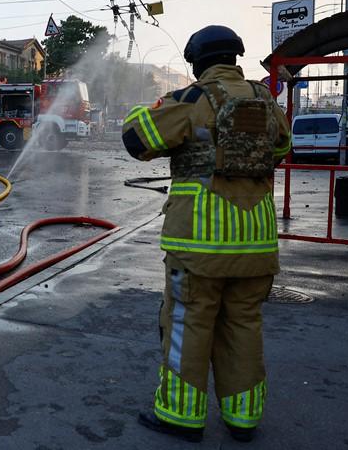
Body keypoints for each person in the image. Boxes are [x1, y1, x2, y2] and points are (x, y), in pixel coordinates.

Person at [121, 25, 291, 443]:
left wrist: (150, 108)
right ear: (235, 57)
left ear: (196, 61)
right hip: (256, 242)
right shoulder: (265, 100)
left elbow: (136, 139)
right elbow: (282, 149)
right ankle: (243, 418)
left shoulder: (191, 100)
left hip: (198, 245)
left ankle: (181, 415)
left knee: (188, 323)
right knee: (244, 325)